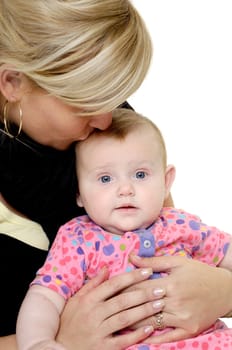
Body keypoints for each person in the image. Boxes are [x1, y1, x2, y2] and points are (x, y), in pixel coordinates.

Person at [0, 1, 232, 350]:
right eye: (87, 101)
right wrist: (59, 341)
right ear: (13, 82)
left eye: (115, 97)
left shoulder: (100, 132)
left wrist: (222, 292)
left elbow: (171, 234)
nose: (106, 121)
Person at [16, 108, 232, 350]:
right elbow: (45, 296)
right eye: (106, 179)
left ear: (166, 181)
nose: (125, 189)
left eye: (140, 174)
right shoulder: (77, 239)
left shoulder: (181, 224)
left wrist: (224, 289)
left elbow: (227, 252)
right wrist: (38, 343)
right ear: (79, 192)